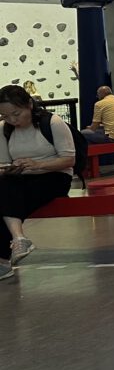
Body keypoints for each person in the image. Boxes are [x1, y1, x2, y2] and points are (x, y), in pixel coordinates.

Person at [0, 84, 76, 280]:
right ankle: (18, 240)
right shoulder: (3, 129)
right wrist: (10, 168)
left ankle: (5, 257)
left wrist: (37, 164)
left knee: (6, 199)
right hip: (21, 179)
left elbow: (69, 160)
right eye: (5, 116)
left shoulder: (52, 122)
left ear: (29, 104)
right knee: (4, 189)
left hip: (55, 177)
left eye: (16, 114)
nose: (12, 120)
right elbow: (4, 163)